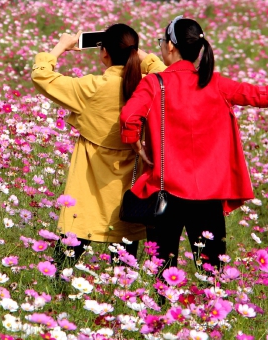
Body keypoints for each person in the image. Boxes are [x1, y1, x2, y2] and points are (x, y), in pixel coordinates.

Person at [120, 15, 268, 274]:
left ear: (170, 46)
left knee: (162, 271)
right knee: (212, 272)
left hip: (166, 192)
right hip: (208, 196)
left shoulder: (155, 84)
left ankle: (160, 310)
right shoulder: (215, 83)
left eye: (162, 42)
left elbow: (128, 117)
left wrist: (136, 144)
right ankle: (211, 312)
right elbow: (262, 94)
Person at [31, 24, 167, 270]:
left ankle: (57, 293)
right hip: (129, 194)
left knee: (65, 259)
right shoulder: (149, 85)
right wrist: (141, 57)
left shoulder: (90, 87)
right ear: (133, 52)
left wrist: (61, 46)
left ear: (104, 53)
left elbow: (41, 76)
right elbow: (166, 73)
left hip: (89, 186)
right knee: (125, 270)